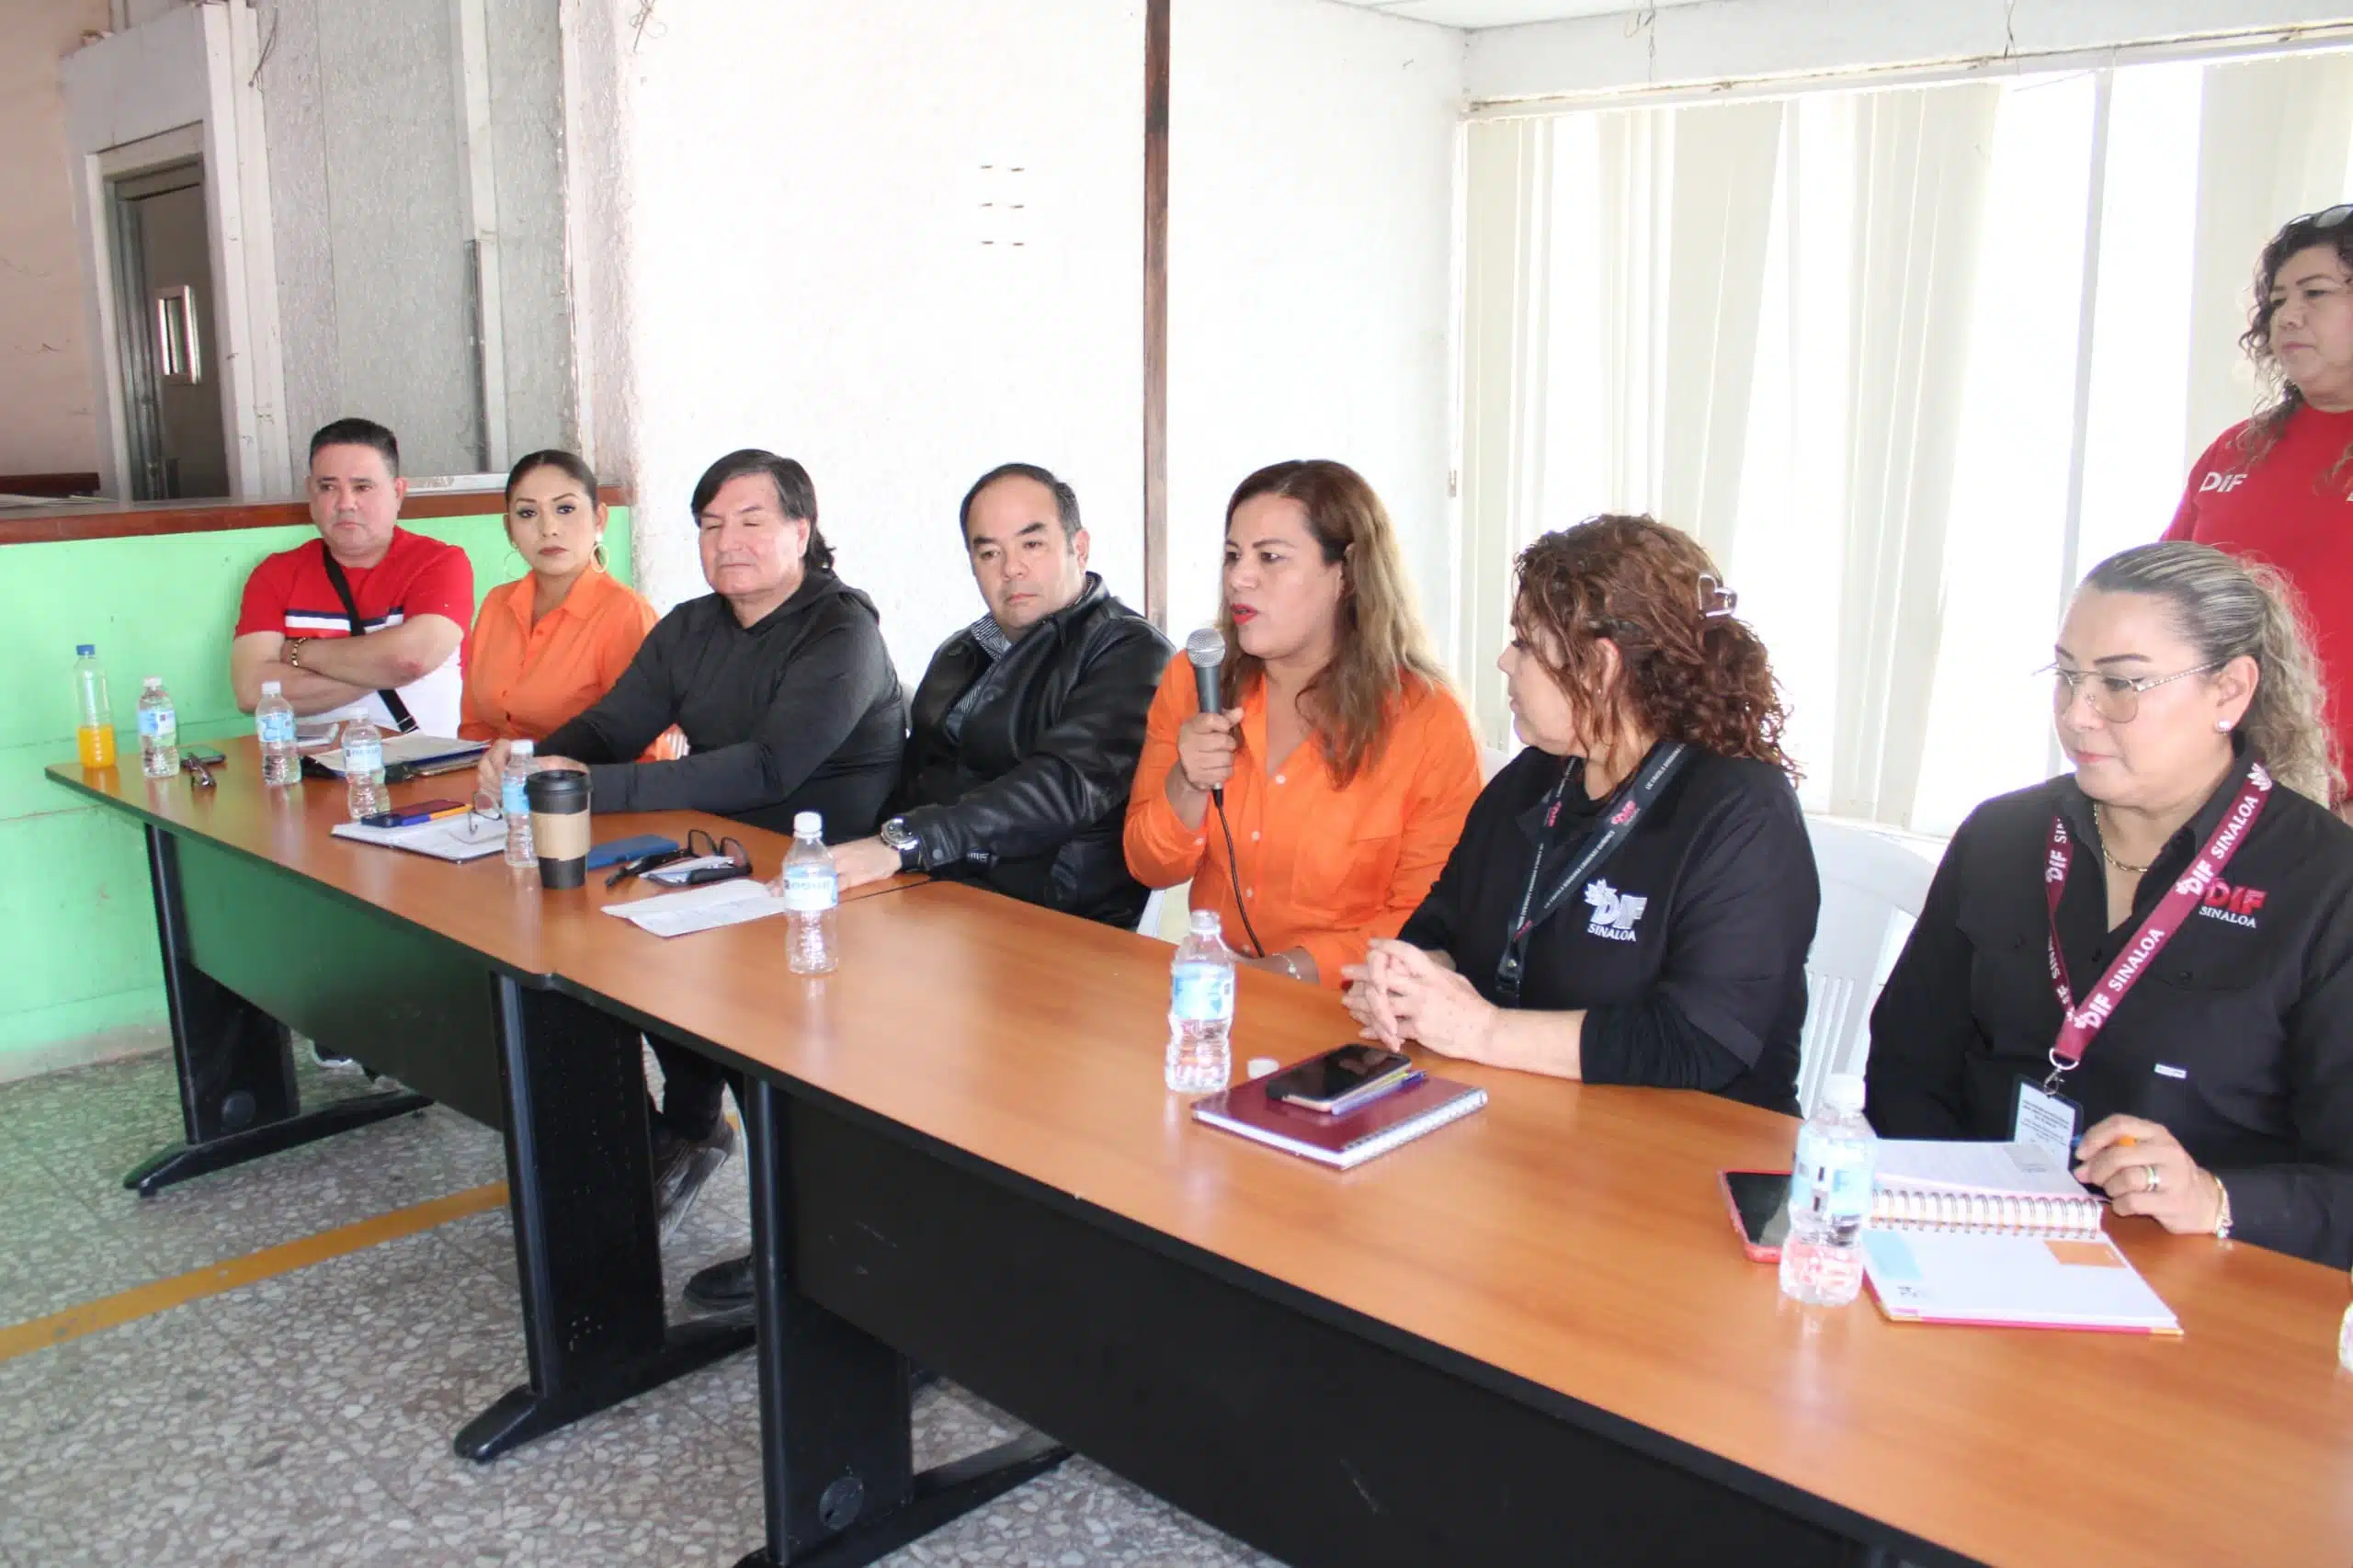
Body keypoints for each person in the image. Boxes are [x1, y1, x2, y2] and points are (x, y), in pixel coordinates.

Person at [477, 449, 904, 1291]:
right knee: (596, 946)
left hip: (834, 889)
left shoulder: (841, 631)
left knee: (758, 1024)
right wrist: (544, 761)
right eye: (711, 525)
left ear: (801, 531)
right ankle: (686, 1127)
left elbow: (768, 769)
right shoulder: (691, 627)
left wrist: (588, 787)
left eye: (752, 521)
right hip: (722, 873)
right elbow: (611, 724)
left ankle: (809, 1240)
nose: (728, 541)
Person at [1868, 541, 2353, 1269]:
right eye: (2066, 675)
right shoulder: (2003, 837)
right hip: (1970, 1245)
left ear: (2230, 691)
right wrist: (1951, 1215)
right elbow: (1908, 1067)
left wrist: (2216, 1198)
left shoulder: (2325, 883)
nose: (2077, 714)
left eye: (2122, 684)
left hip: (2206, 1283)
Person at [1342, 517, 1817, 1113]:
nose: (1504, 662)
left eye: (1524, 643)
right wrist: (1408, 982)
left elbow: (1700, 1041)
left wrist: (1483, 1030)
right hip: (1524, 1129)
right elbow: (1441, 928)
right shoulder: (1534, 777)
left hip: (1696, 1159)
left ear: (1601, 666)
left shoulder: (1742, 812)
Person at [1123, 460, 1481, 986]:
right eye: (1233, 556)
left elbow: (1428, 921)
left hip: (1355, 1005)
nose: (1239, 578)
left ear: (1346, 574)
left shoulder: (1426, 721)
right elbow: (1149, 867)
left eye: (1271, 558)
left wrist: (1284, 972)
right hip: (1217, 994)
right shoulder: (1198, 679)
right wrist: (1187, 781)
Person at [827, 462, 1171, 926]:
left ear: (1079, 547)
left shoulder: (1129, 649)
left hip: (1054, 922)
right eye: (989, 554)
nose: (1012, 568)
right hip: (935, 901)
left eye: (1032, 544)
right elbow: (913, 782)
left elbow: (1062, 787)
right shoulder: (960, 652)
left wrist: (908, 842)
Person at [2167, 204, 2353, 795]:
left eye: (2315, 293)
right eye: (2277, 302)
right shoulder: (2234, 452)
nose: (2289, 316)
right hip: (2221, 789)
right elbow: (2162, 608)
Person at [231, 418, 472, 736]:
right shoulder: (276, 574)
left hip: (426, 772)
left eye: (363, 487)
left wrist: (298, 652)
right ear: (310, 493)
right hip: (312, 775)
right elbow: (252, 692)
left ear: (398, 492)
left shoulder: (439, 563)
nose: (345, 503)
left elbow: (409, 660)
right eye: (328, 487)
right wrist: (381, 668)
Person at [460, 449, 673, 752]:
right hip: (503, 791)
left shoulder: (625, 614)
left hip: (596, 793)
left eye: (565, 509)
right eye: (527, 513)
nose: (548, 529)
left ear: (599, 519)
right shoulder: (497, 603)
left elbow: (637, 748)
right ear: (510, 530)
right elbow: (474, 729)